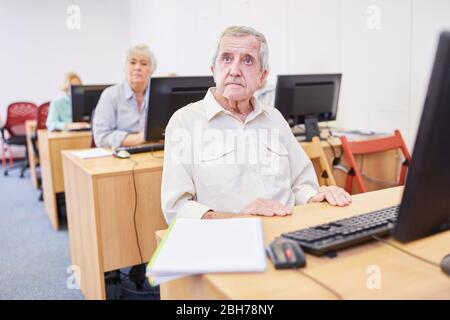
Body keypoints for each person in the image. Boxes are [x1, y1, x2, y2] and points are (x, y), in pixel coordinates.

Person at [161, 26, 351, 223]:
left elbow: (301, 183)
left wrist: (316, 197)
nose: (234, 70)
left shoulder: (275, 118)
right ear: (213, 70)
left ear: (262, 76)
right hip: (228, 239)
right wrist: (240, 220)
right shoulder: (184, 122)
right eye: (226, 58)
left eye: (247, 60)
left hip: (289, 231)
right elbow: (177, 209)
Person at [93, 44, 157, 148]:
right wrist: (140, 138)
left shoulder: (158, 96)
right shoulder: (110, 95)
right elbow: (101, 138)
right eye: (132, 62)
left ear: (152, 70)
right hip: (119, 156)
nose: (137, 67)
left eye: (144, 63)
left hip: (151, 153)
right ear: (124, 68)